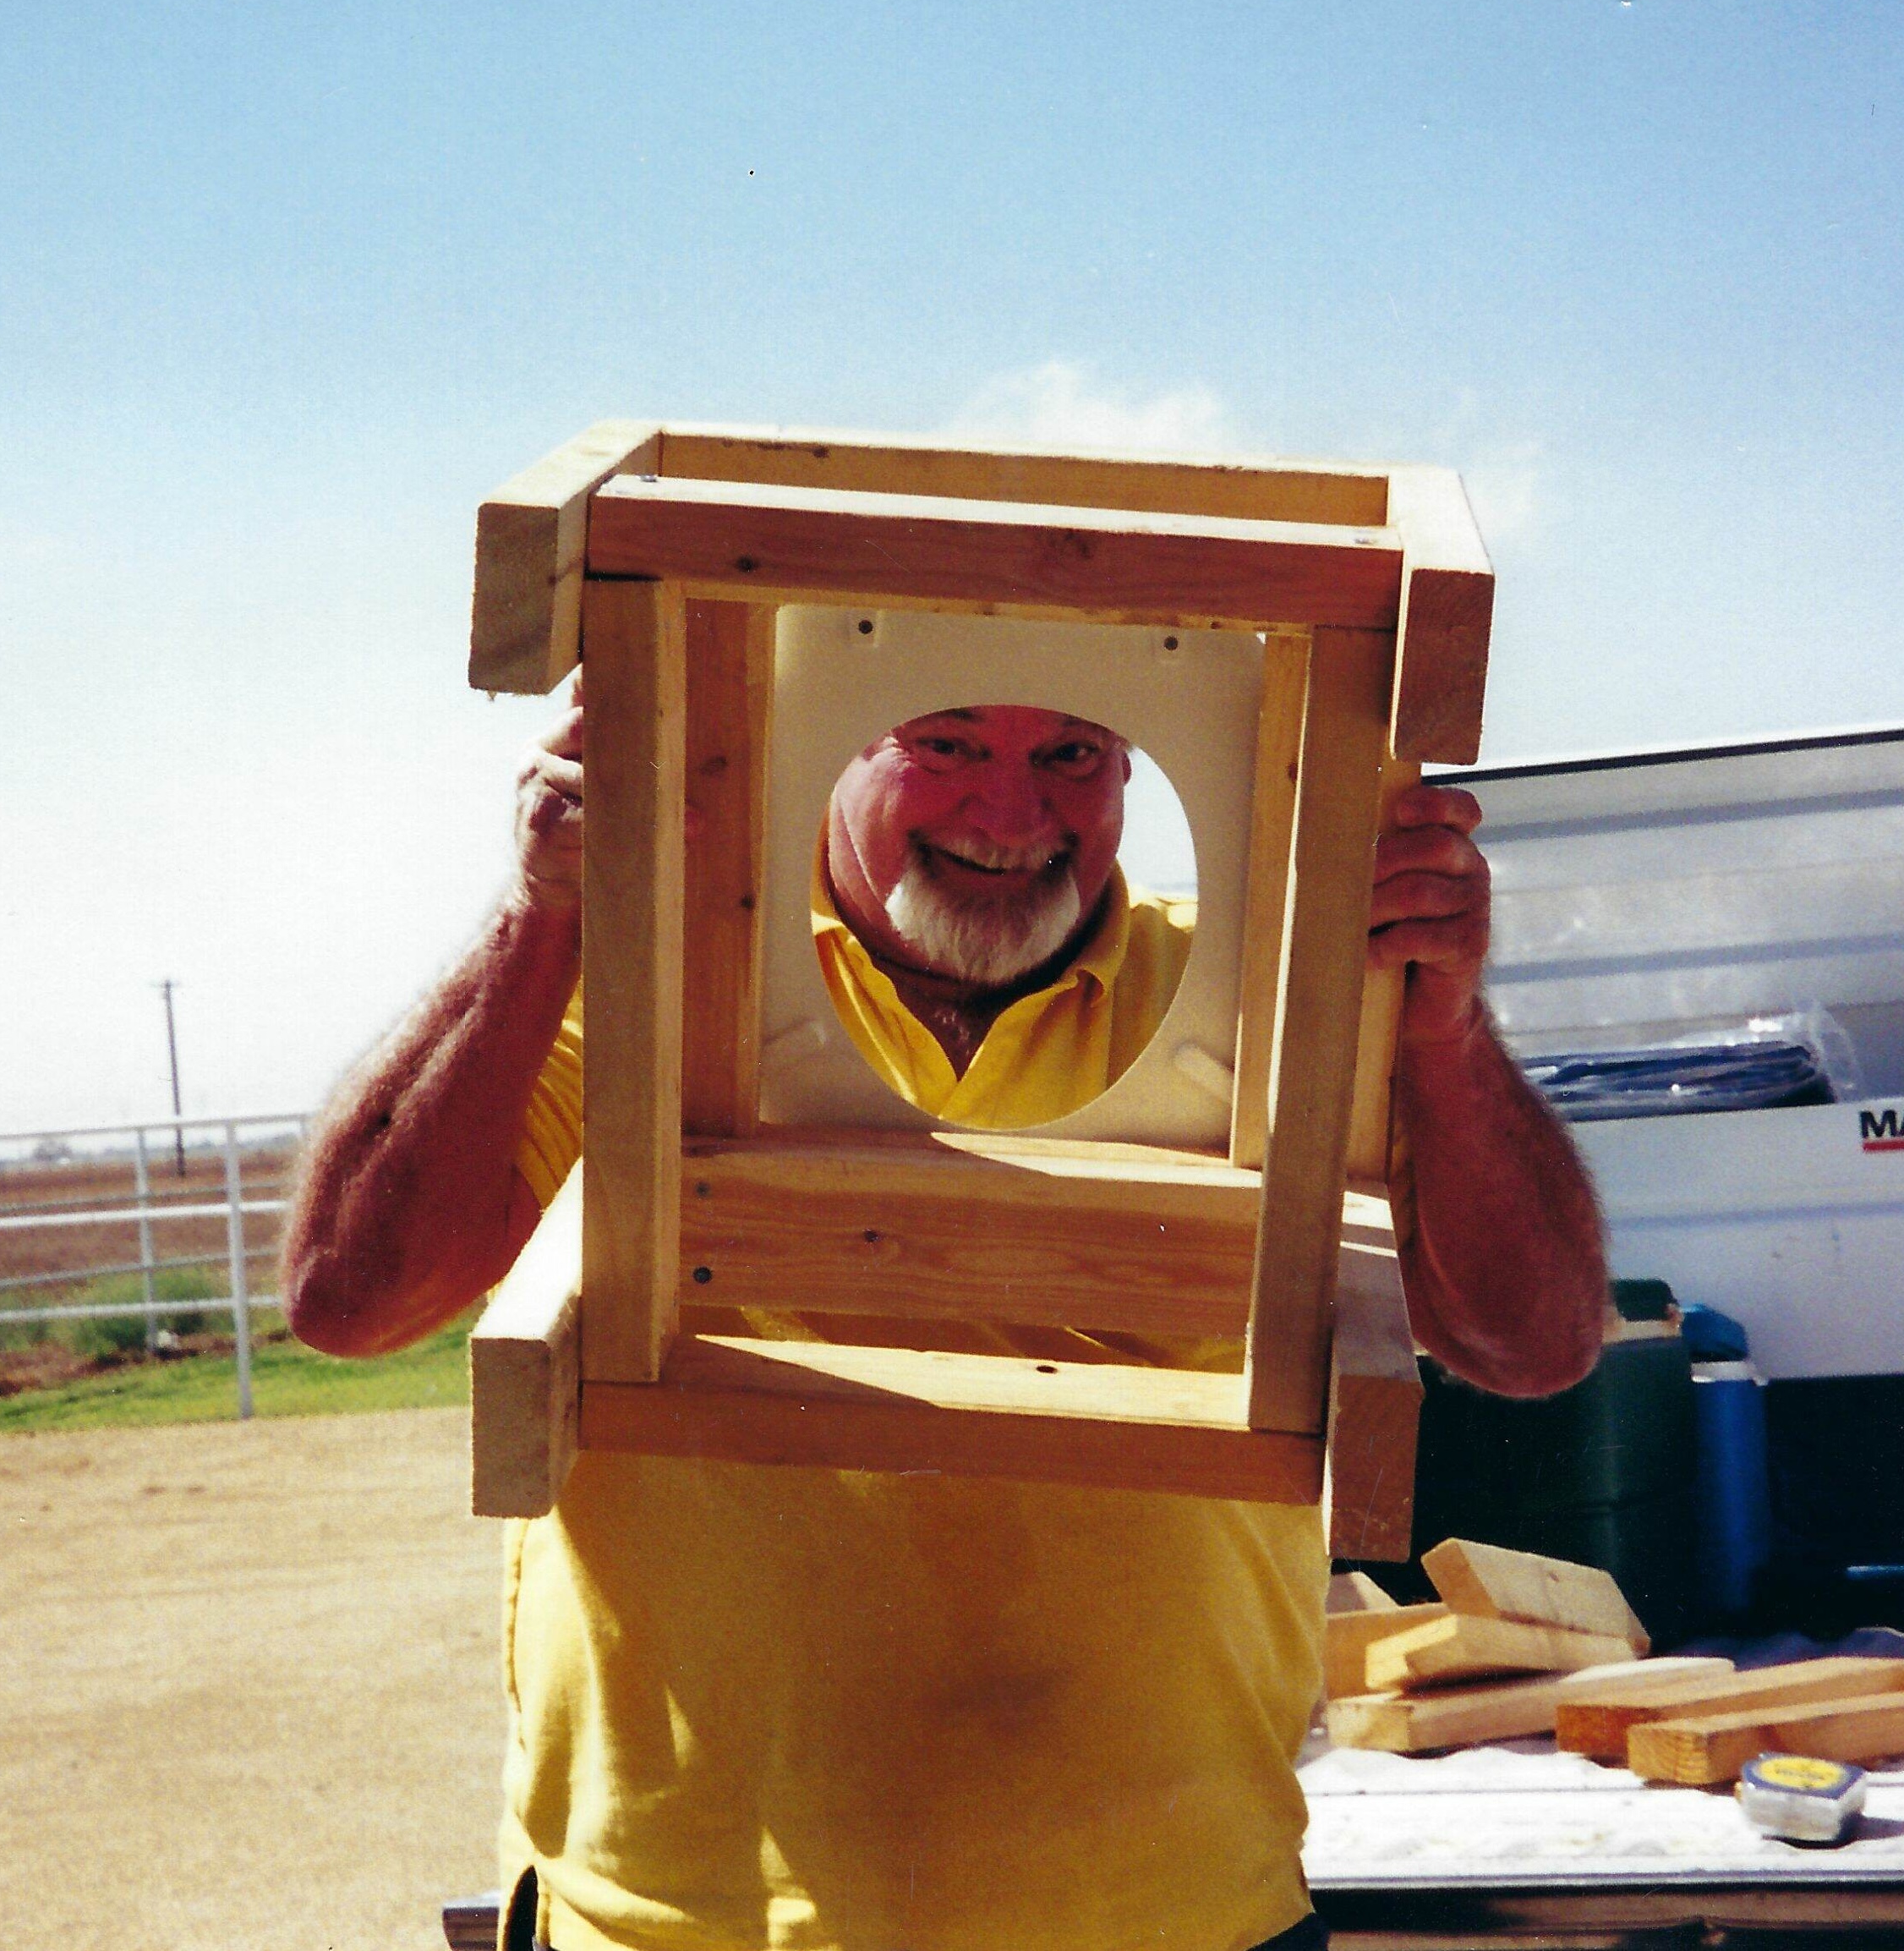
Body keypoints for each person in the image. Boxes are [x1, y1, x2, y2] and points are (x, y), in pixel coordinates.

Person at [282, 685, 1607, 1951]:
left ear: (1136, 770)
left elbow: (1530, 1341)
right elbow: (350, 1293)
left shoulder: (1270, 1004)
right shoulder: (643, 979)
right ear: (824, 746)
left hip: (1172, 1909)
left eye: (1071, 755)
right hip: (678, 1917)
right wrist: (541, 920)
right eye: (947, 742)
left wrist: (1442, 1032)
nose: (1011, 810)